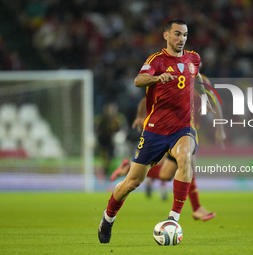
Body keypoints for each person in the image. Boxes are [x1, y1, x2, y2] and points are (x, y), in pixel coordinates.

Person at [98, 19, 215, 243]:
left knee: (184, 158)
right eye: (177, 34)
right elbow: (138, 80)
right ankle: (108, 217)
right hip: (155, 131)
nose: (182, 39)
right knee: (132, 182)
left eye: (185, 35)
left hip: (183, 127)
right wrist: (157, 78)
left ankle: (173, 218)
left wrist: (204, 97)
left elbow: (197, 77)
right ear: (166, 36)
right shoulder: (157, 60)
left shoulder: (194, 59)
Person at [111, 75, 226, 221]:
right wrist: (141, 116)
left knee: (166, 174)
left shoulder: (202, 84)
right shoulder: (180, 82)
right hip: (171, 132)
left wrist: (219, 129)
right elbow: (146, 100)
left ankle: (128, 169)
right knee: (188, 162)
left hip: (187, 132)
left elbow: (214, 103)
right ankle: (196, 208)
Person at [94, 102, 127, 179]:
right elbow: (95, 129)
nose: (110, 112)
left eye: (111, 110)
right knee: (105, 159)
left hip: (115, 143)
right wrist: (93, 137)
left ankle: (116, 174)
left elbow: (124, 129)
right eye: (108, 110)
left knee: (115, 159)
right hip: (103, 142)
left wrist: (120, 135)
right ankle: (104, 175)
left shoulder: (119, 118)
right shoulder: (100, 119)